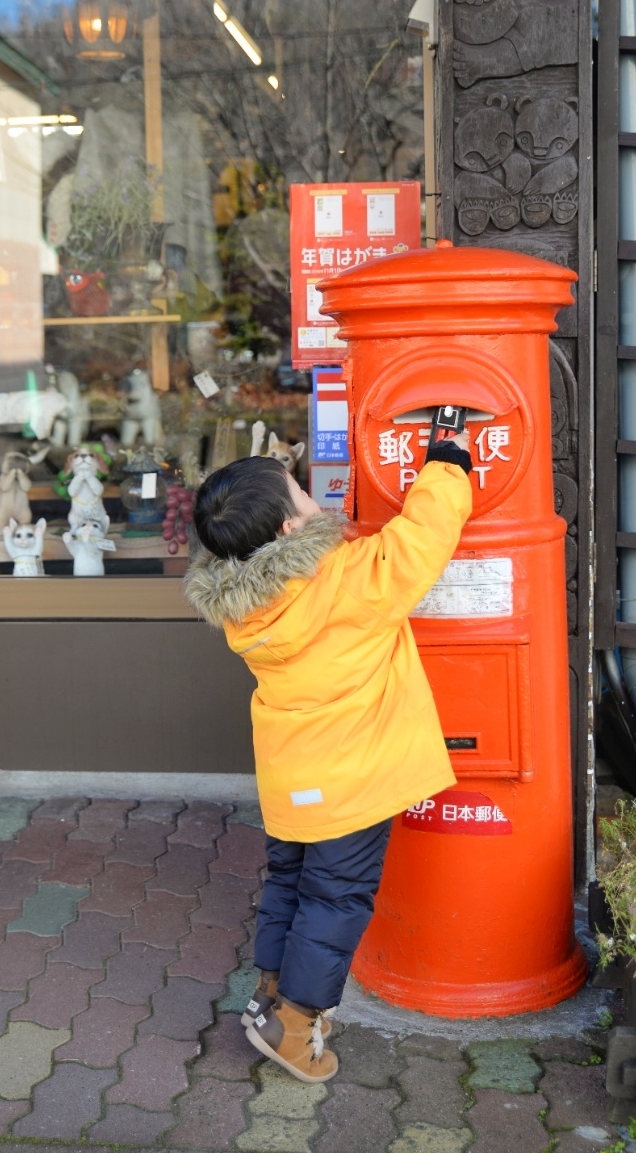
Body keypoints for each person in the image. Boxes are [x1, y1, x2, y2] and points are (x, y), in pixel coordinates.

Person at [184, 433, 473, 1082]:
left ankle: (269, 993)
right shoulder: (346, 575)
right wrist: (448, 466)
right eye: (302, 491)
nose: (317, 498)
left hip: (292, 777)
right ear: (290, 525)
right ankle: (296, 1025)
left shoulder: (246, 601)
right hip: (352, 777)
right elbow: (419, 540)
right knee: (337, 896)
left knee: (290, 882)